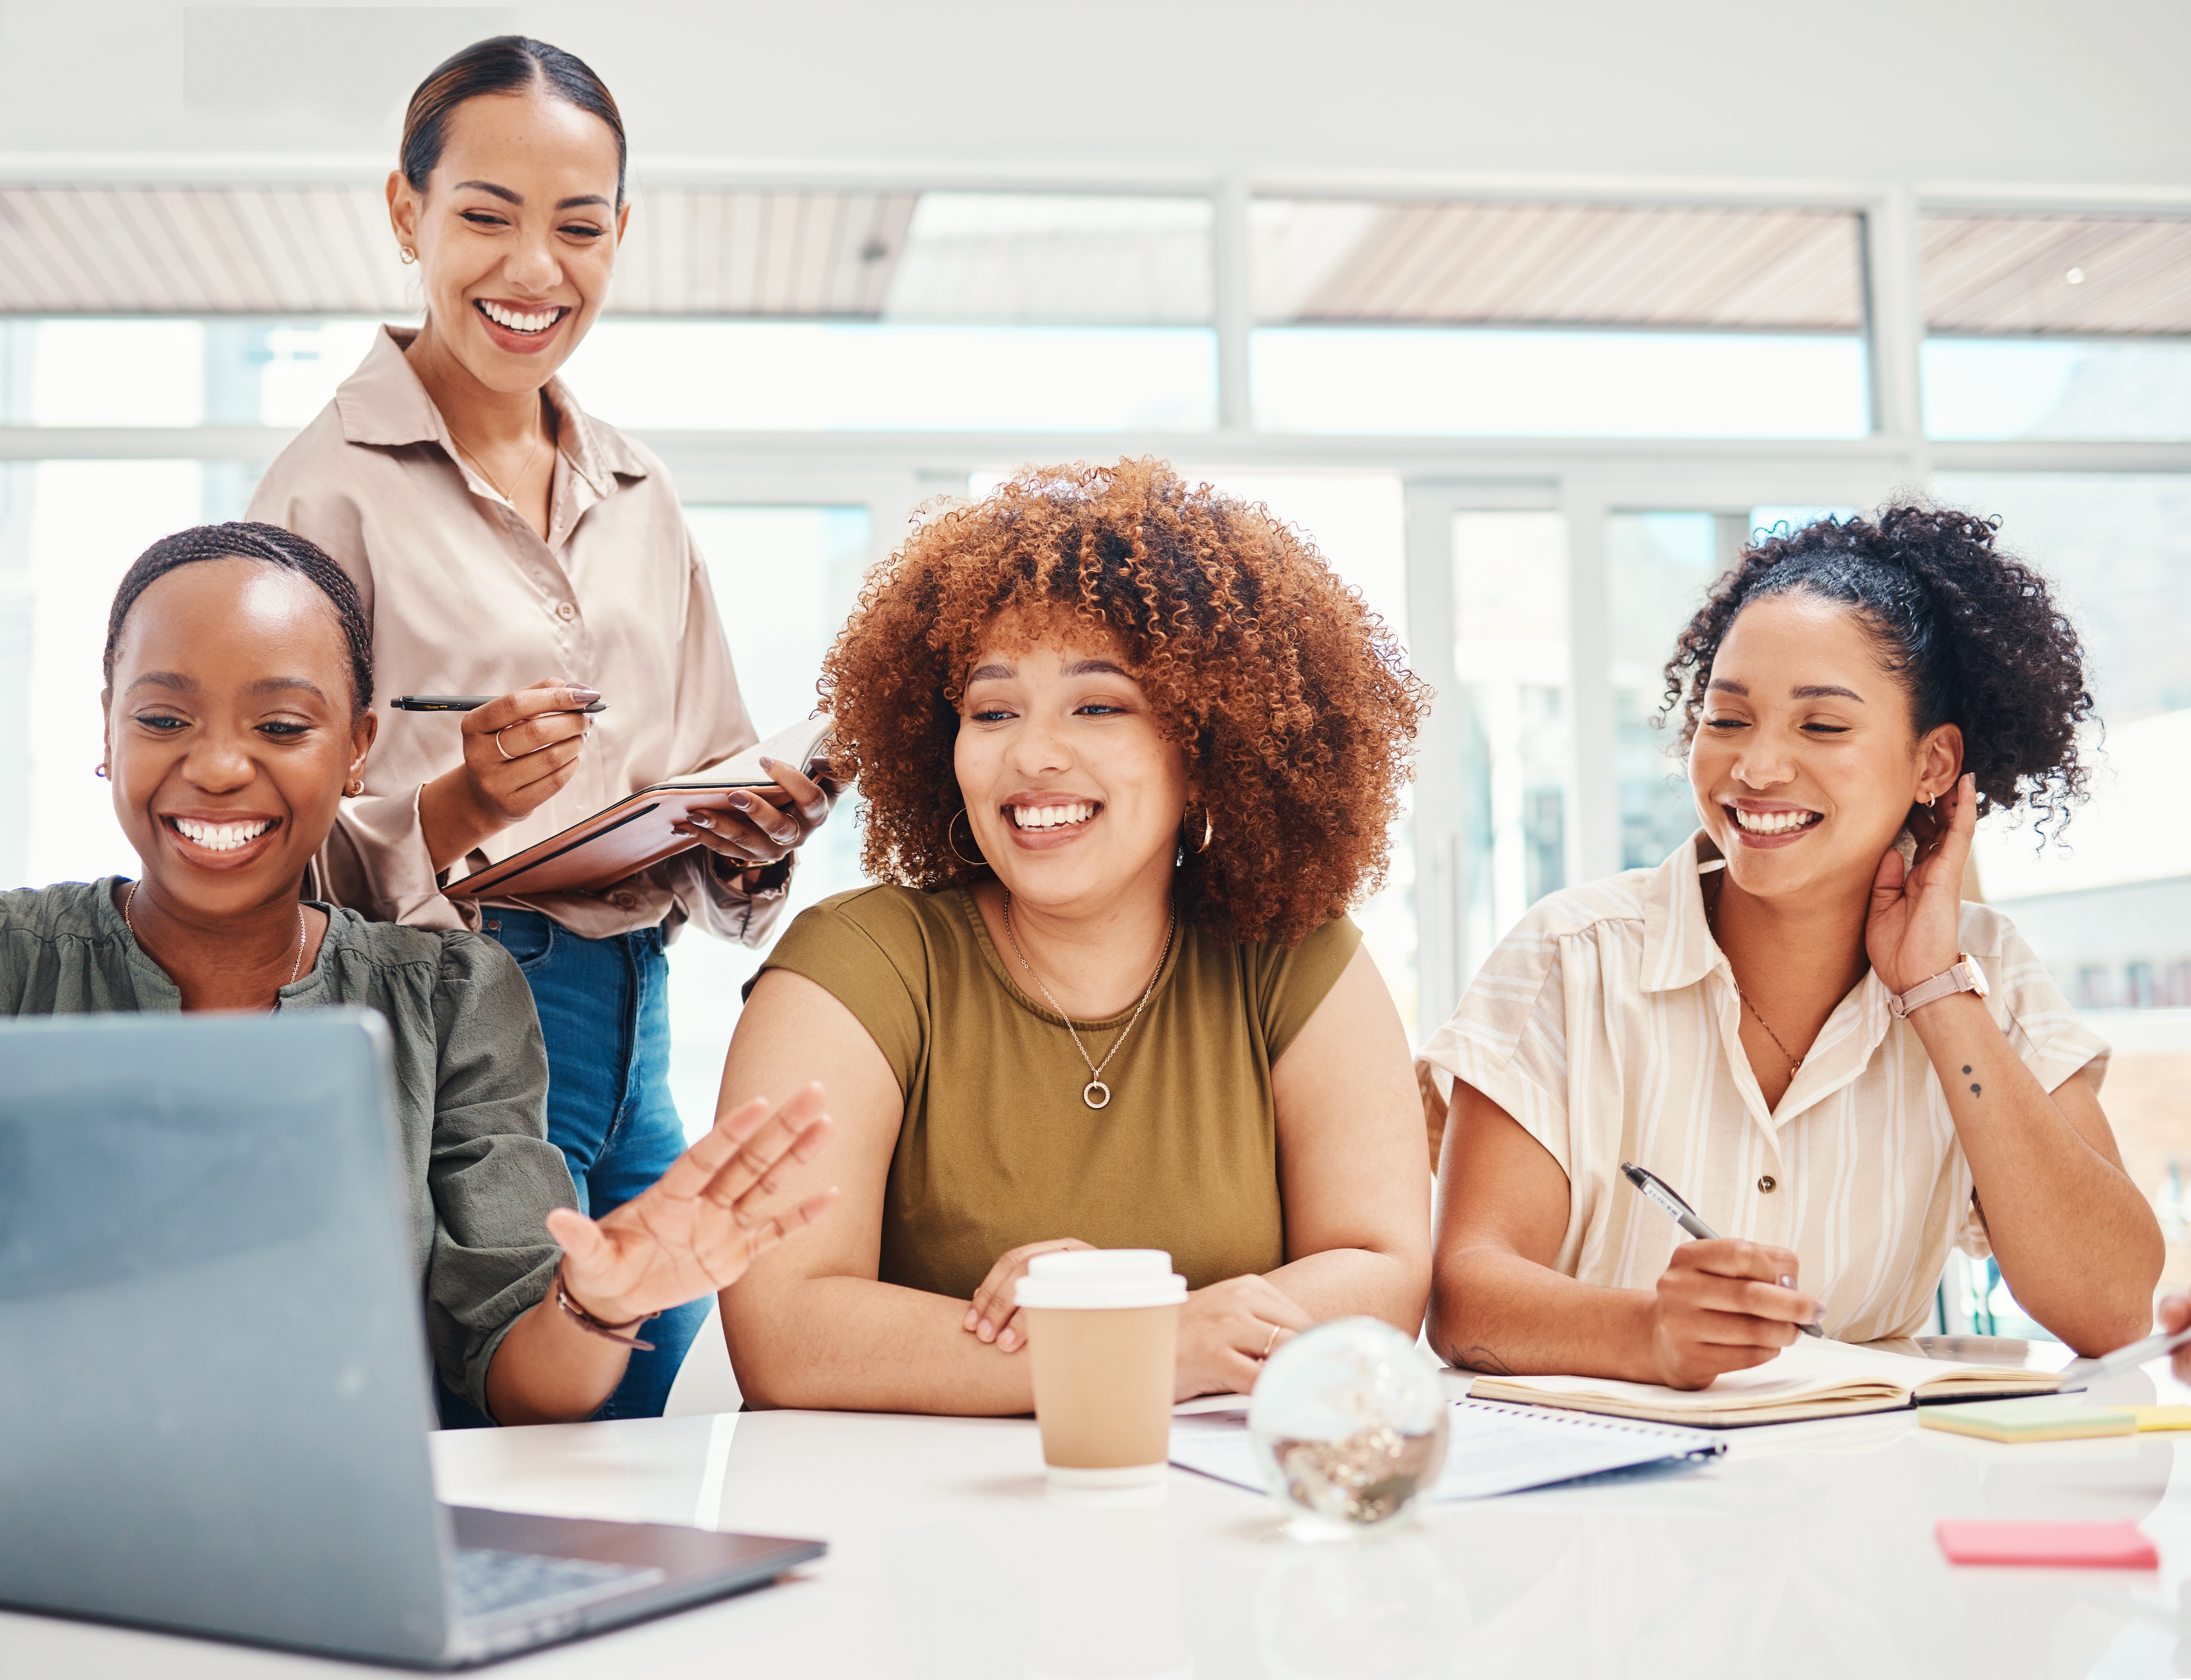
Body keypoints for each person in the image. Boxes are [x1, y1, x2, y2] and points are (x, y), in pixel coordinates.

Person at [0, 523, 837, 1460]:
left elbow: (524, 1380)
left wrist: (602, 1300)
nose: (217, 765)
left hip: (349, 1570)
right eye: (164, 718)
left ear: (359, 749)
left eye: (281, 725)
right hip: (36, 1562)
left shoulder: (454, 997)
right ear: (106, 736)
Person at [244, 36, 832, 1419]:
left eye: (577, 228)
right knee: (510, 1413)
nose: (533, 271)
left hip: (636, 1014)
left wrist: (748, 839)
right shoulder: (322, 493)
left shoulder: (638, 488)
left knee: (648, 1370)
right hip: (456, 1019)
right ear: (407, 215)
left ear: (621, 236)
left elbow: (699, 771)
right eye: (485, 217)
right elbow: (252, 832)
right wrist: (451, 805)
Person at [716, 459, 1434, 1414]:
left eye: (1099, 706)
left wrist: (1123, 1327)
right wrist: (1134, 1343)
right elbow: (784, 1333)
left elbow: (1383, 1274)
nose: (1034, 753)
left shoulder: (1294, 956)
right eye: (992, 710)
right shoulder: (852, 966)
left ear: (1207, 740)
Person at [1424, 506, 2160, 1385]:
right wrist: (1651, 1330)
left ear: (1933, 764)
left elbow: (2114, 1307)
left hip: (1866, 1492)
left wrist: (1934, 991)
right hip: (1605, 1499)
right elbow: (1465, 1296)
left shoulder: (1988, 974)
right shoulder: (1571, 957)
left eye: (1821, 727)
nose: (1758, 768)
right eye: (1727, 719)